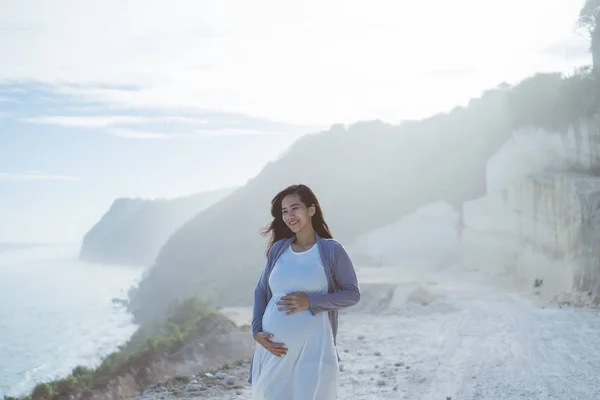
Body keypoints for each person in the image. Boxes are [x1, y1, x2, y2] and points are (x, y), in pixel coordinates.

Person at [248, 184, 361, 399]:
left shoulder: (331, 250)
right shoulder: (278, 249)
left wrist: (310, 301)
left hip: (314, 350)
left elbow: (352, 294)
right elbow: (261, 291)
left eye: (295, 208)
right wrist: (256, 333)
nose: (289, 216)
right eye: (284, 211)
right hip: (275, 351)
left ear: (311, 210)